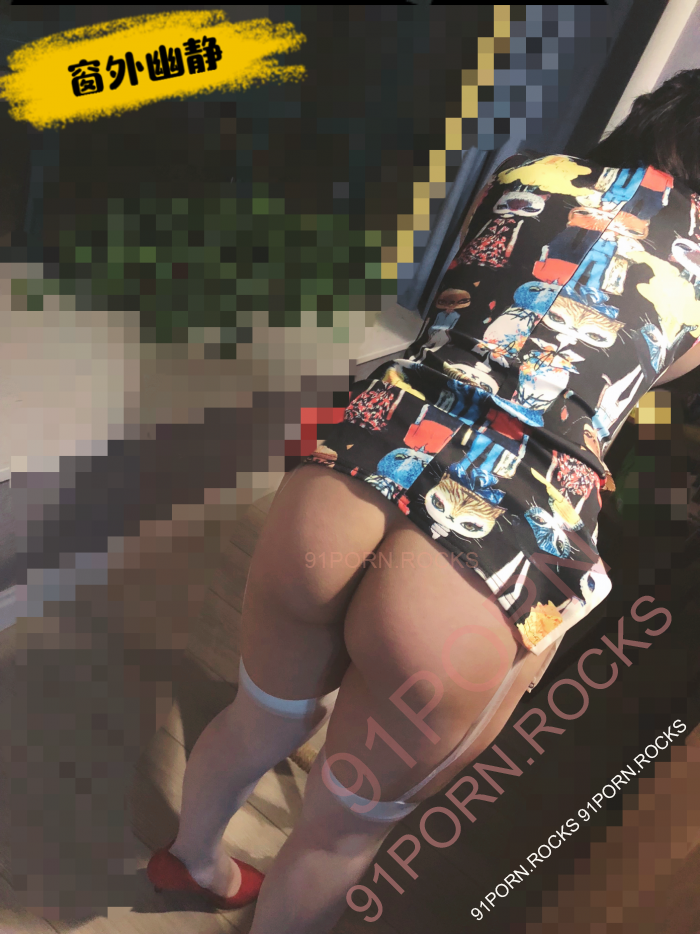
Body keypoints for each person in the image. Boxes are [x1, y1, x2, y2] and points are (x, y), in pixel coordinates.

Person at [147, 69, 700, 932]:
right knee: (341, 830)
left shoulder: (530, 173)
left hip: (362, 459)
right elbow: (640, 377)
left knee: (258, 717)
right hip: (499, 540)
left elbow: (470, 296)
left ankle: (193, 861)